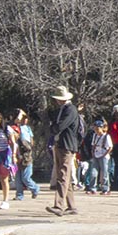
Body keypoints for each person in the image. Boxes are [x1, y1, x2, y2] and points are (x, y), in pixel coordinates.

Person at [46, 86, 84, 216]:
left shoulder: (70, 110)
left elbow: (60, 126)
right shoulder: (63, 110)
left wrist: (52, 128)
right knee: (64, 175)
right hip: (60, 144)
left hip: (66, 146)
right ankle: (71, 206)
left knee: (63, 175)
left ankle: (59, 205)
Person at [11, 109, 40, 201]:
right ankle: (19, 195)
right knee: (18, 178)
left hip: (26, 155)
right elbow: (16, 122)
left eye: (26, 118)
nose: (25, 120)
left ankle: (35, 188)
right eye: (23, 118)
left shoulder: (27, 128)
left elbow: (31, 142)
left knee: (26, 178)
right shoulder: (16, 127)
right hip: (18, 153)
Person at [88, 119, 113, 194]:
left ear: (102, 128)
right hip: (96, 155)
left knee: (104, 172)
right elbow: (93, 145)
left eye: (97, 128)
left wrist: (104, 155)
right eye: (95, 128)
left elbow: (110, 147)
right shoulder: (94, 136)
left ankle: (105, 188)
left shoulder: (106, 136)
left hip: (104, 156)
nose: (96, 130)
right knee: (93, 172)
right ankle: (92, 188)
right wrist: (92, 152)